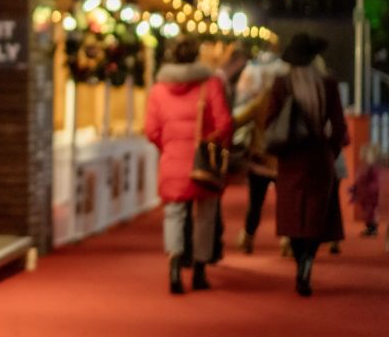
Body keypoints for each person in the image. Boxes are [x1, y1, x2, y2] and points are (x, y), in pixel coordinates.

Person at [144, 35, 233, 294]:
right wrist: (213, 144)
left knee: (174, 214)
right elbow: (224, 123)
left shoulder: (158, 90)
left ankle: (174, 265)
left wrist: (168, 146)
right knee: (205, 215)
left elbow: (151, 130)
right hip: (203, 161)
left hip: (172, 160)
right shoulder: (210, 84)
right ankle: (200, 270)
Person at [264, 33, 347, 297]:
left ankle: (300, 262)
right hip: (318, 157)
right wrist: (330, 152)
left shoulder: (282, 84)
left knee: (292, 216)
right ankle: (308, 262)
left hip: (290, 158)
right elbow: (339, 126)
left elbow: (269, 121)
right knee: (314, 216)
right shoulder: (328, 84)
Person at [234, 55, 282, 253]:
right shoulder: (288, 100)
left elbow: (239, 119)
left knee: (255, 203)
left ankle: (248, 237)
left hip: (260, 159)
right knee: (285, 203)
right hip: (282, 159)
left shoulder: (261, 100)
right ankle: (287, 240)